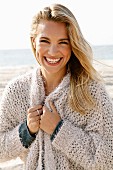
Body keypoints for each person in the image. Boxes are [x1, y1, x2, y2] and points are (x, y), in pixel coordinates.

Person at [0, 3, 113, 170]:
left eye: (63, 42)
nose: (53, 51)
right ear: (34, 42)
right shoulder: (16, 90)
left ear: (72, 45)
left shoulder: (92, 91)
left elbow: (108, 158)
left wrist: (59, 129)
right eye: (45, 41)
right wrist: (27, 131)